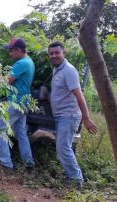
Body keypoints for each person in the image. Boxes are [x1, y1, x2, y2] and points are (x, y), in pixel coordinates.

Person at [48, 41, 98, 187]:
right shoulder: (57, 69)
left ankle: (77, 182)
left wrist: (87, 118)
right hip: (61, 115)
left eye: (57, 52)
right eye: (51, 53)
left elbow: (79, 95)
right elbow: (63, 91)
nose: (54, 55)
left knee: (63, 148)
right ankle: (73, 179)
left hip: (68, 116)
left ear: (64, 53)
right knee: (63, 147)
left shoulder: (68, 70)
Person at [0, 38, 35, 170]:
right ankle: (28, 163)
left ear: (18, 50)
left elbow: (6, 83)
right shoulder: (29, 61)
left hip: (16, 103)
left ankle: (5, 164)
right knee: (20, 133)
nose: (9, 54)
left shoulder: (21, 63)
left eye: (11, 51)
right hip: (24, 102)